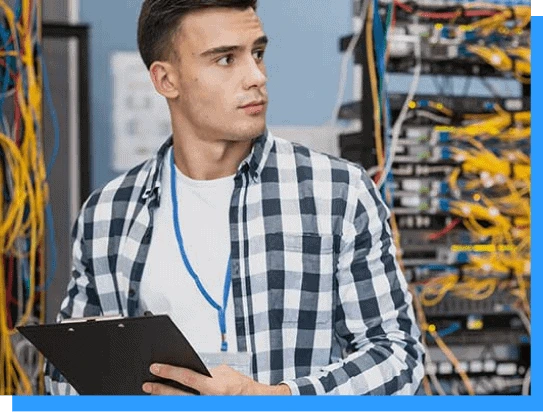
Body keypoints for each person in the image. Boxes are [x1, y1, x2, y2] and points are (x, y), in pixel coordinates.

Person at [45, 0, 425, 396]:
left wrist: (278, 399)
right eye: (226, 60)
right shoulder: (107, 215)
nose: (256, 76)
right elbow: (64, 376)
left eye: (257, 53)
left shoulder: (338, 193)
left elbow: (398, 356)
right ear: (165, 80)